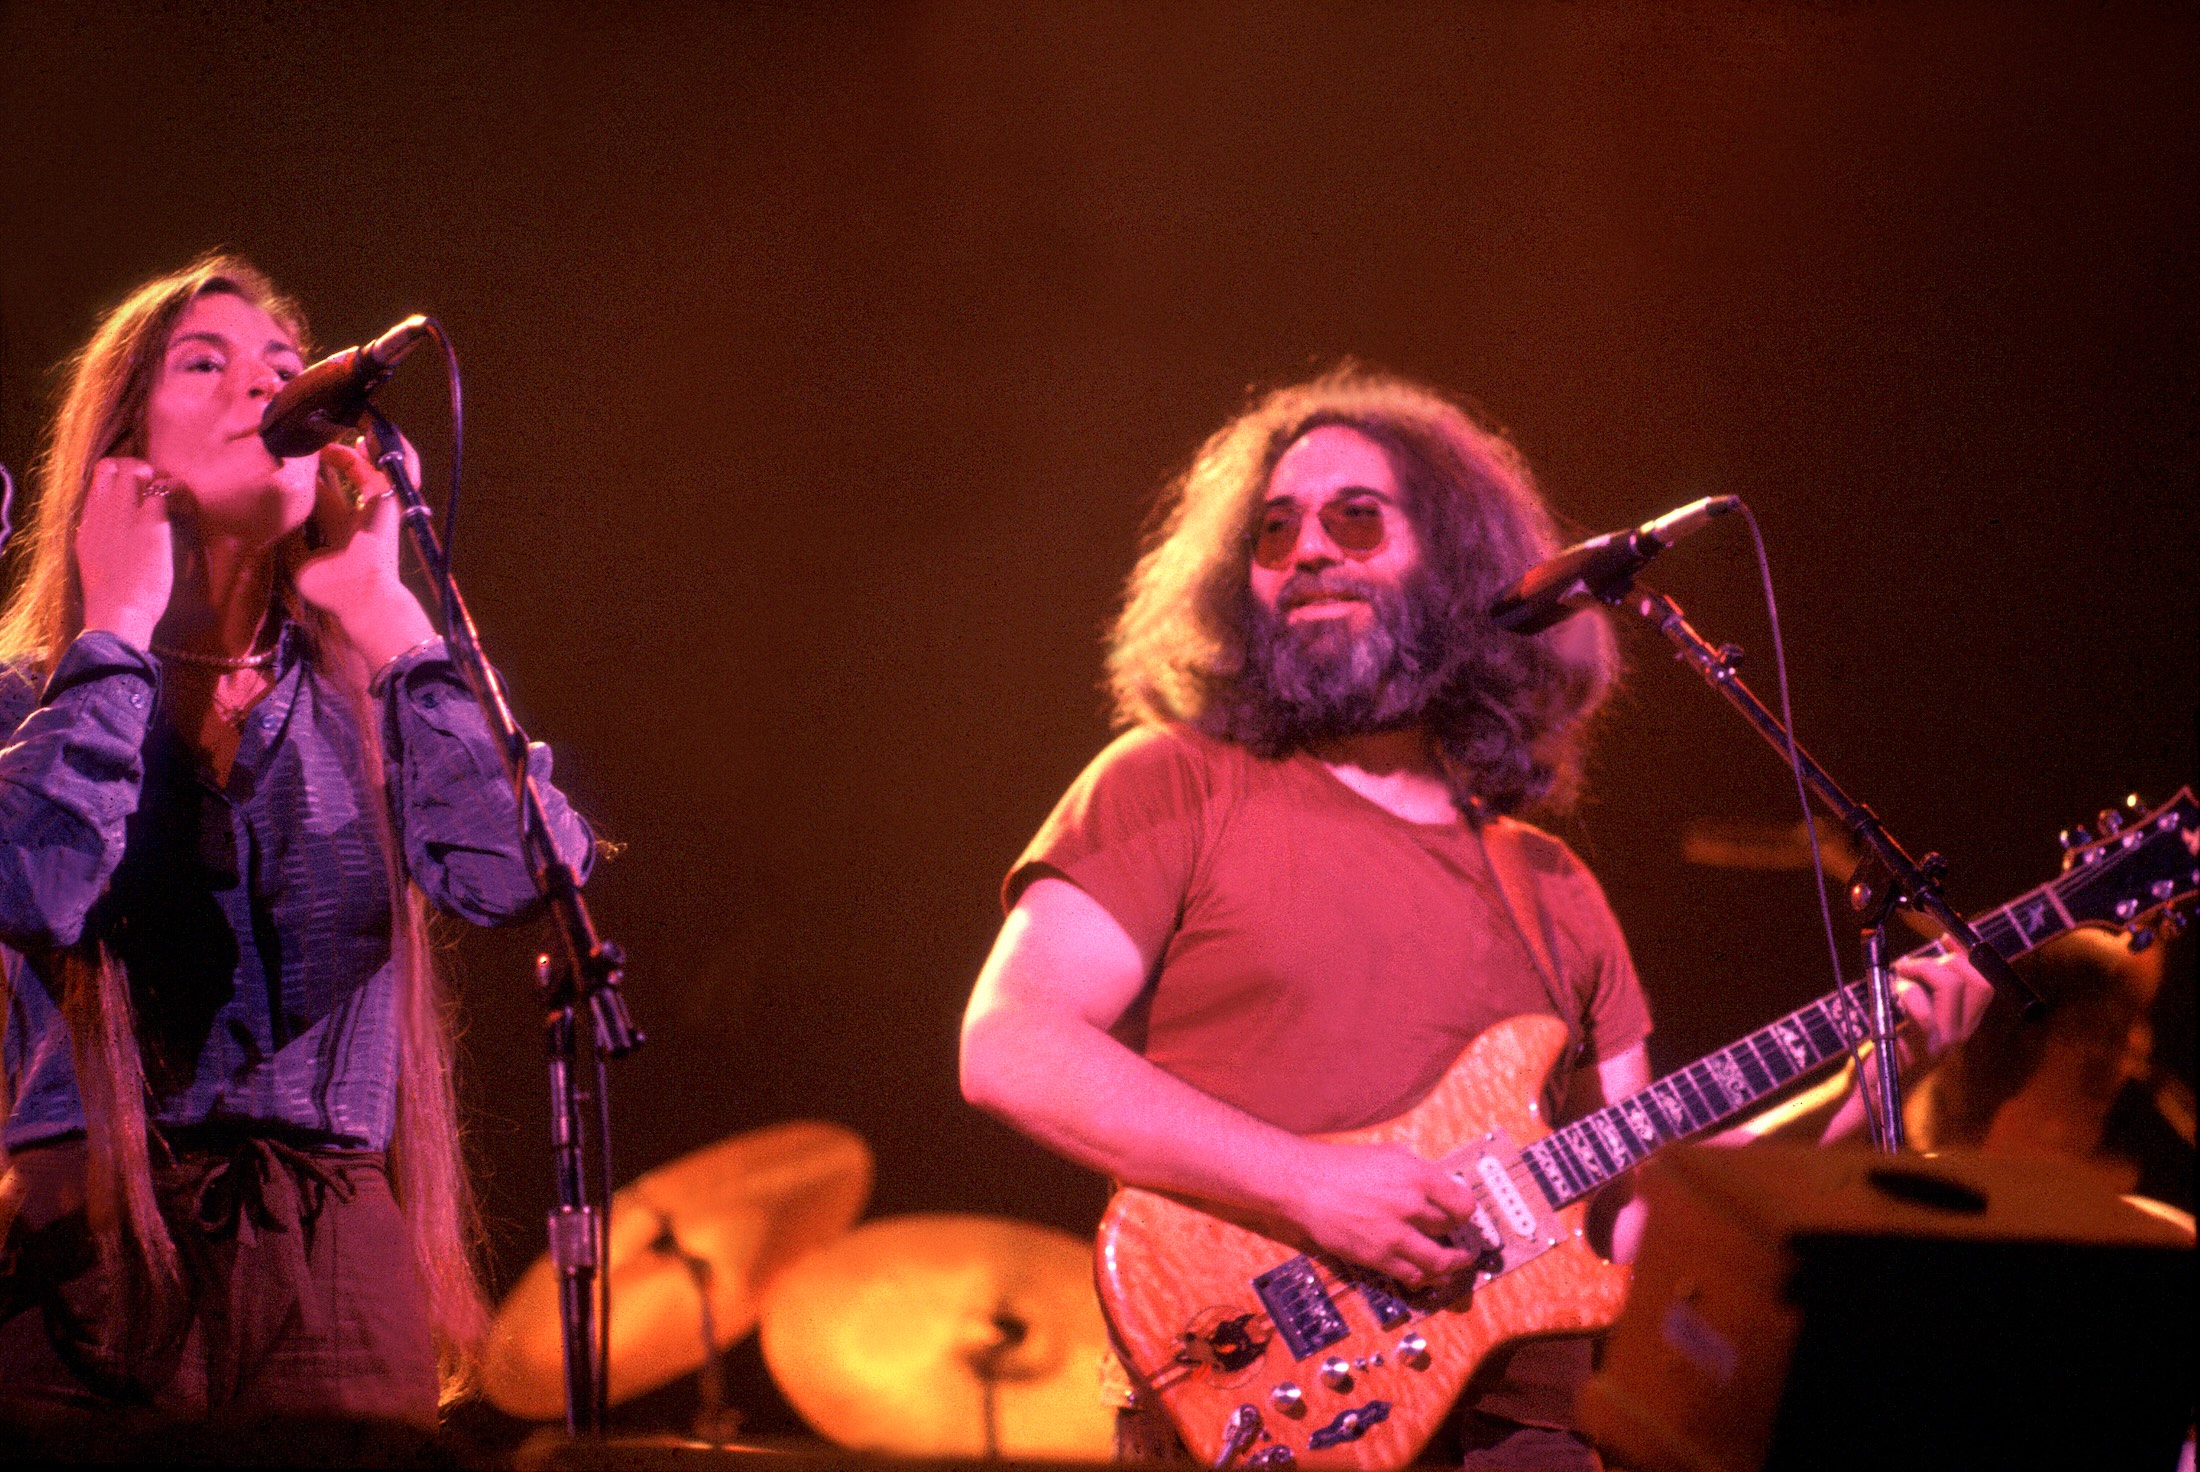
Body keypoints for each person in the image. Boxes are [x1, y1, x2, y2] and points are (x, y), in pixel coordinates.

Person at [959, 366, 1992, 1468]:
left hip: (1526, 1436)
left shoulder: (1555, 887)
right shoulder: (1171, 782)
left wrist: (1870, 1081)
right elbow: (1011, 1045)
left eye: (1357, 519)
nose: (1307, 549)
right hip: (1265, 1395)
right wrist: (1310, 1185)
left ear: (1457, 566)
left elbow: (1640, 1225)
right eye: (1272, 530)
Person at [0, 255, 593, 1436]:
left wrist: (386, 610)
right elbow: (33, 878)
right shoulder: (30, 691)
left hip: (334, 1277)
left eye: (283, 368)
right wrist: (113, 625)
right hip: (85, 1260)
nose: (261, 391)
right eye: (204, 364)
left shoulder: (375, 697)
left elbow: (526, 872)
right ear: (124, 442)